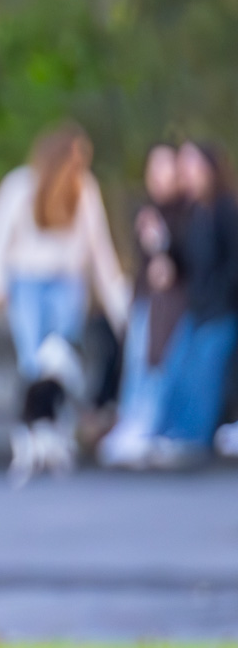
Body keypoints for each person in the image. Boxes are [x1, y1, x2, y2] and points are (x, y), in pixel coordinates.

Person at [0, 124, 128, 481]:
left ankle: (59, 436)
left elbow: (100, 252)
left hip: (67, 283)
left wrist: (120, 305)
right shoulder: (20, 187)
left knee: (62, 364)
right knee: (33, 362)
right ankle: (31, 439)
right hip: (26, 283)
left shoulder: (85, 191)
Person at [151, 141, 238, 461]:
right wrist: (164, 252)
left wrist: (220, 295)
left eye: (192, 166)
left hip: (221, 310)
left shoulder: (226, 209)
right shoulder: (195, 213)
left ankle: (192, 440)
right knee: (177, 372)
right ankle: (168, 434)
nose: (186, 174)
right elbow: (188, 261)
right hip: (197, 309)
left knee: (205, 374)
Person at [100, 145, 186, 467]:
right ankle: (130, 423)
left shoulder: (184, 214)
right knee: (135, 364)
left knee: (156, 367)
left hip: (170, 311)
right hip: (144, 304)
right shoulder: (147, 211)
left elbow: (175, 263)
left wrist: (160, 244)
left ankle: (148, 427)